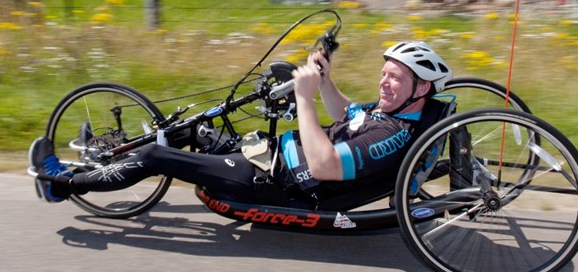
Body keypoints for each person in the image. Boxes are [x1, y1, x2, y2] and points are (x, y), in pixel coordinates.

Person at [29, 41, 452, 210]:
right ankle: (110, 154)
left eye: (395, 78)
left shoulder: (391, 135)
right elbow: (346, 114)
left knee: (159, 156)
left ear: (422, 89)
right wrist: (325, 80)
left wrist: (303, 98)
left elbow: (324, 166)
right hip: (272, 159)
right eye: (385, 73)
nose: (383, 81)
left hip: (274, 182)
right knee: (195, 127)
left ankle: (63, 182)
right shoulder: (389, 112)